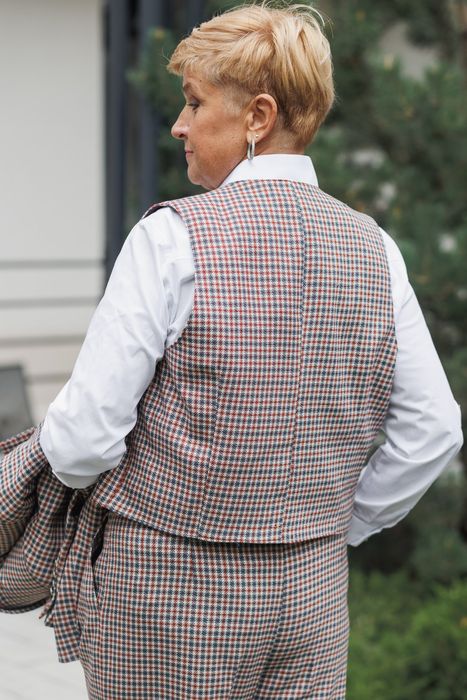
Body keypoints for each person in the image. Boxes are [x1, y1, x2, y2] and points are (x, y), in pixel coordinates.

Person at [0, 2, 463, 698]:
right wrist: (341, 526)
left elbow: (83, 440)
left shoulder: (171, 238)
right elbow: (432, 430)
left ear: (257, 117)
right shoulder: (375, 249)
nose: (178, 125)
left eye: (193, 103)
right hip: (310, 596)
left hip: (166, 593)